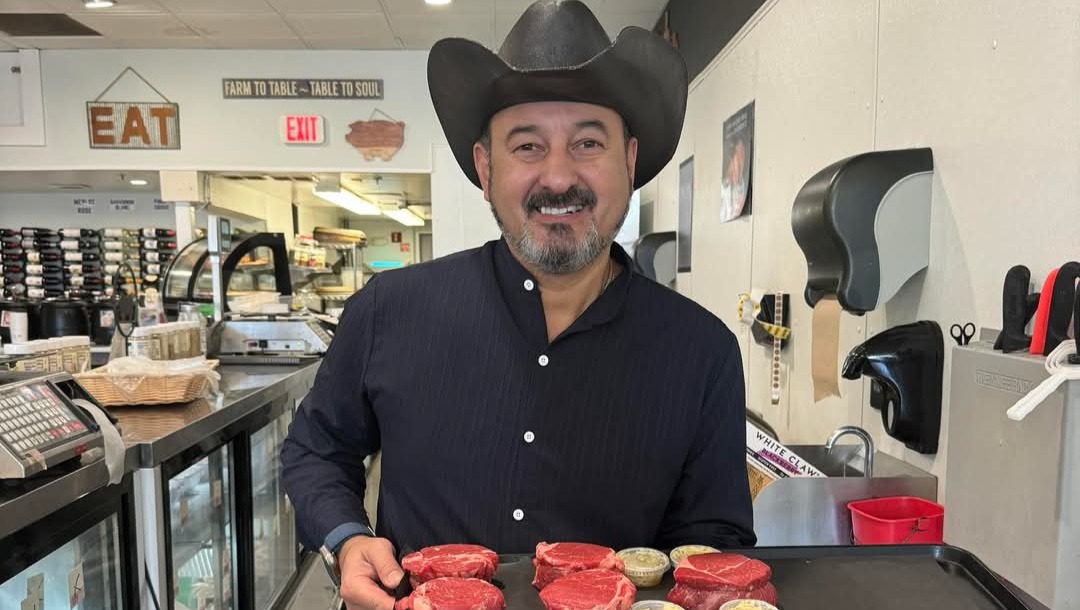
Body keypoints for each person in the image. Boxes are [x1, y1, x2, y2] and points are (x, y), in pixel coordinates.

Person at [280, 2, 755, 609]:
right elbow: (317, 449)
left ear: (630, 161)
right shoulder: (387, 311)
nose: (557, 177)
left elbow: (711, 547)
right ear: (485, 168)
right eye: (527, 146)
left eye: (588, 142)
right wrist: (347, 539)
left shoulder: (702, 352)